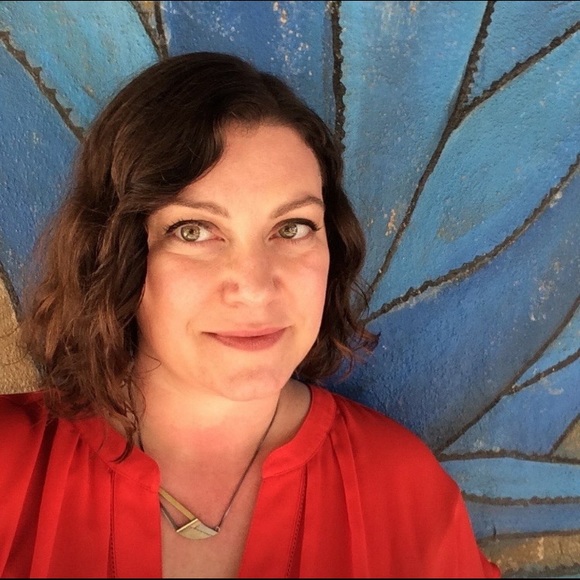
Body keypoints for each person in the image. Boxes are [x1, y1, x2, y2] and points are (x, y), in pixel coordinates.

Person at [0, 51, 501, 578]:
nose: (256, 288)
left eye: (292, 227)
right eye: (193, 230)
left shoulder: (402, 488)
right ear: (115, 250)